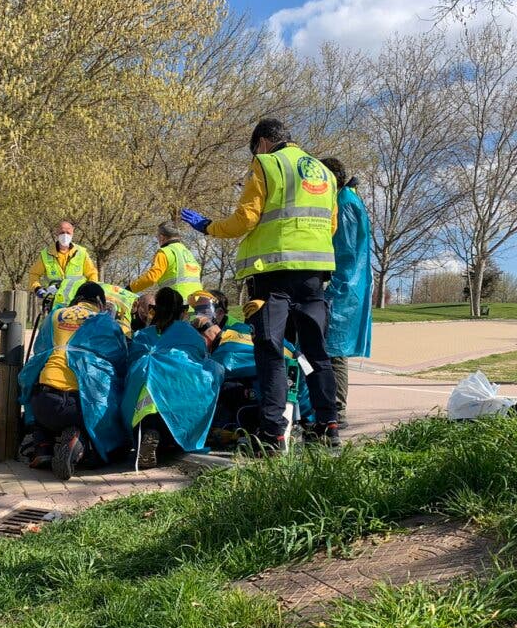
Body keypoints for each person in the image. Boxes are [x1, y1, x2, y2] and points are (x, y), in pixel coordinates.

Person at [180, 118, 340, 452]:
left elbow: (246, 219)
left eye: (254, 149)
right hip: (314, 274)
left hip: (273, 274)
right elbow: (332, 224)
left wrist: (208, 226)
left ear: (263, 142)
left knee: (270, 351)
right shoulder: (323, 172)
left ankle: (273, 432)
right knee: (315, 353)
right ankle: (327, 426)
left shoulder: (266, 163)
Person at [26, 282, 127, 480]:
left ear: (77, 298)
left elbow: (40, 350)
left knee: (37, 398)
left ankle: (43, 447)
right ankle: (79, 441)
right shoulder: (104, 321)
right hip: (81, 406)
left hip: (43, 402)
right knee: (106, 421)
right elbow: (120, 359)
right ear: (100, 301)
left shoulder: (55, 315)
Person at [124, 288, 223, 468]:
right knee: (213, 371)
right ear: (182, 312)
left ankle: (149, 434)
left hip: (147, 403)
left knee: (141, 401)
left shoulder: (143, 335)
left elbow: (131, 361)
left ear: (154, 310)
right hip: (181, 398)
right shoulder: (191, 333)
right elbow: (202, 357)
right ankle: (166, 439)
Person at [319, 158, 373, 429]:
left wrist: (331, 285)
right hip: (346, 285)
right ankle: (330, 407)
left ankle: (336, 410)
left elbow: (346, 251)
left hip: (343, 288)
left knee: (334, 350)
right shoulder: (347, 199)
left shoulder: (344, 204)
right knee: (331, 349)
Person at [28, 220, 99, 302]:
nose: (65, 235)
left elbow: (92, 273)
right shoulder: (46, 254)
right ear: (57, 233)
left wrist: (90, 289)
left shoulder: (81, 253)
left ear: (72, 234)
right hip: (54, 299)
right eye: (62, 232)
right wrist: (37, 288)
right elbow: (34, 274)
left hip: (77, 299)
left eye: (68, 233)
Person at [128, 221, 203, 299]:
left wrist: (130, 289)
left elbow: (151, 278)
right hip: (197, 301)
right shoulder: (187, 252)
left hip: (176, 302)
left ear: (161, 237)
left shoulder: (165, 252)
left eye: (157, 237)